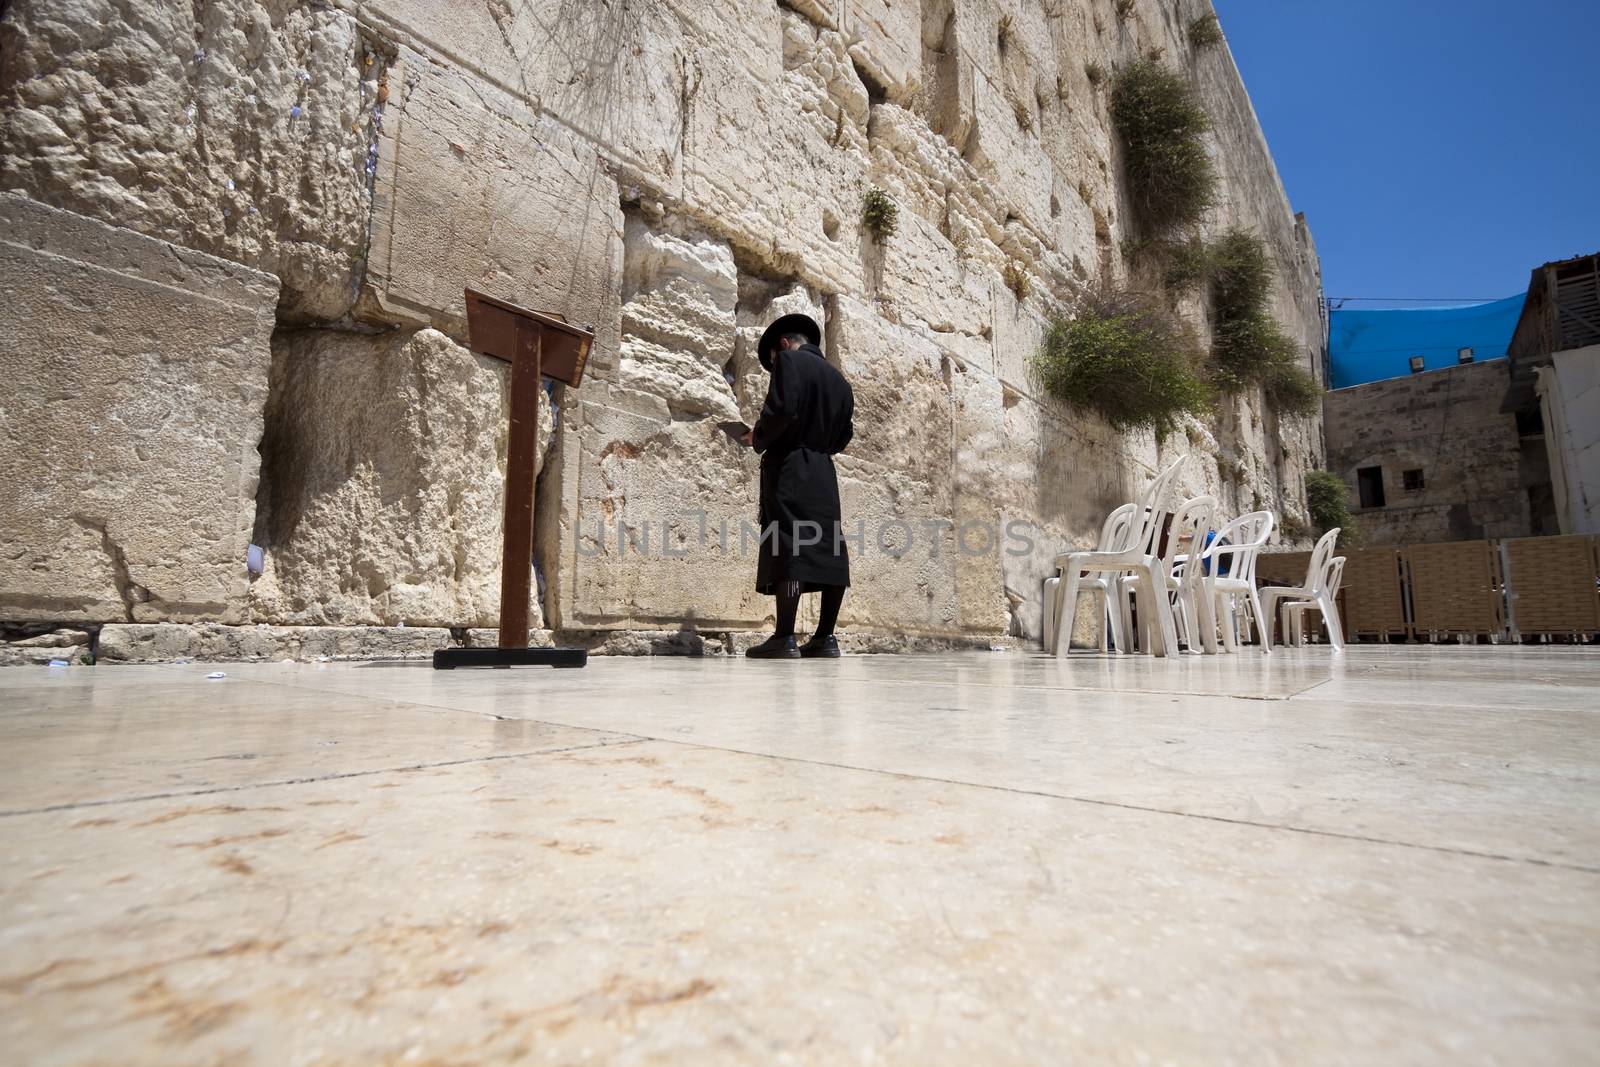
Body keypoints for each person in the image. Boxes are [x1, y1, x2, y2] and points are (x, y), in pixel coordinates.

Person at [742, 313, 855, 659]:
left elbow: (783, 410)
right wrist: (818, 446)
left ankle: (784, 637)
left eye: (772, 362)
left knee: (789, 542)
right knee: (829, 547)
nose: (775, 367)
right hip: (822, 469)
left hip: (791, 467)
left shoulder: (789, 361)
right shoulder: (840, 381)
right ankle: (825, 638)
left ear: (782, 345)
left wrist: (756, 435)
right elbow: (844, 435)